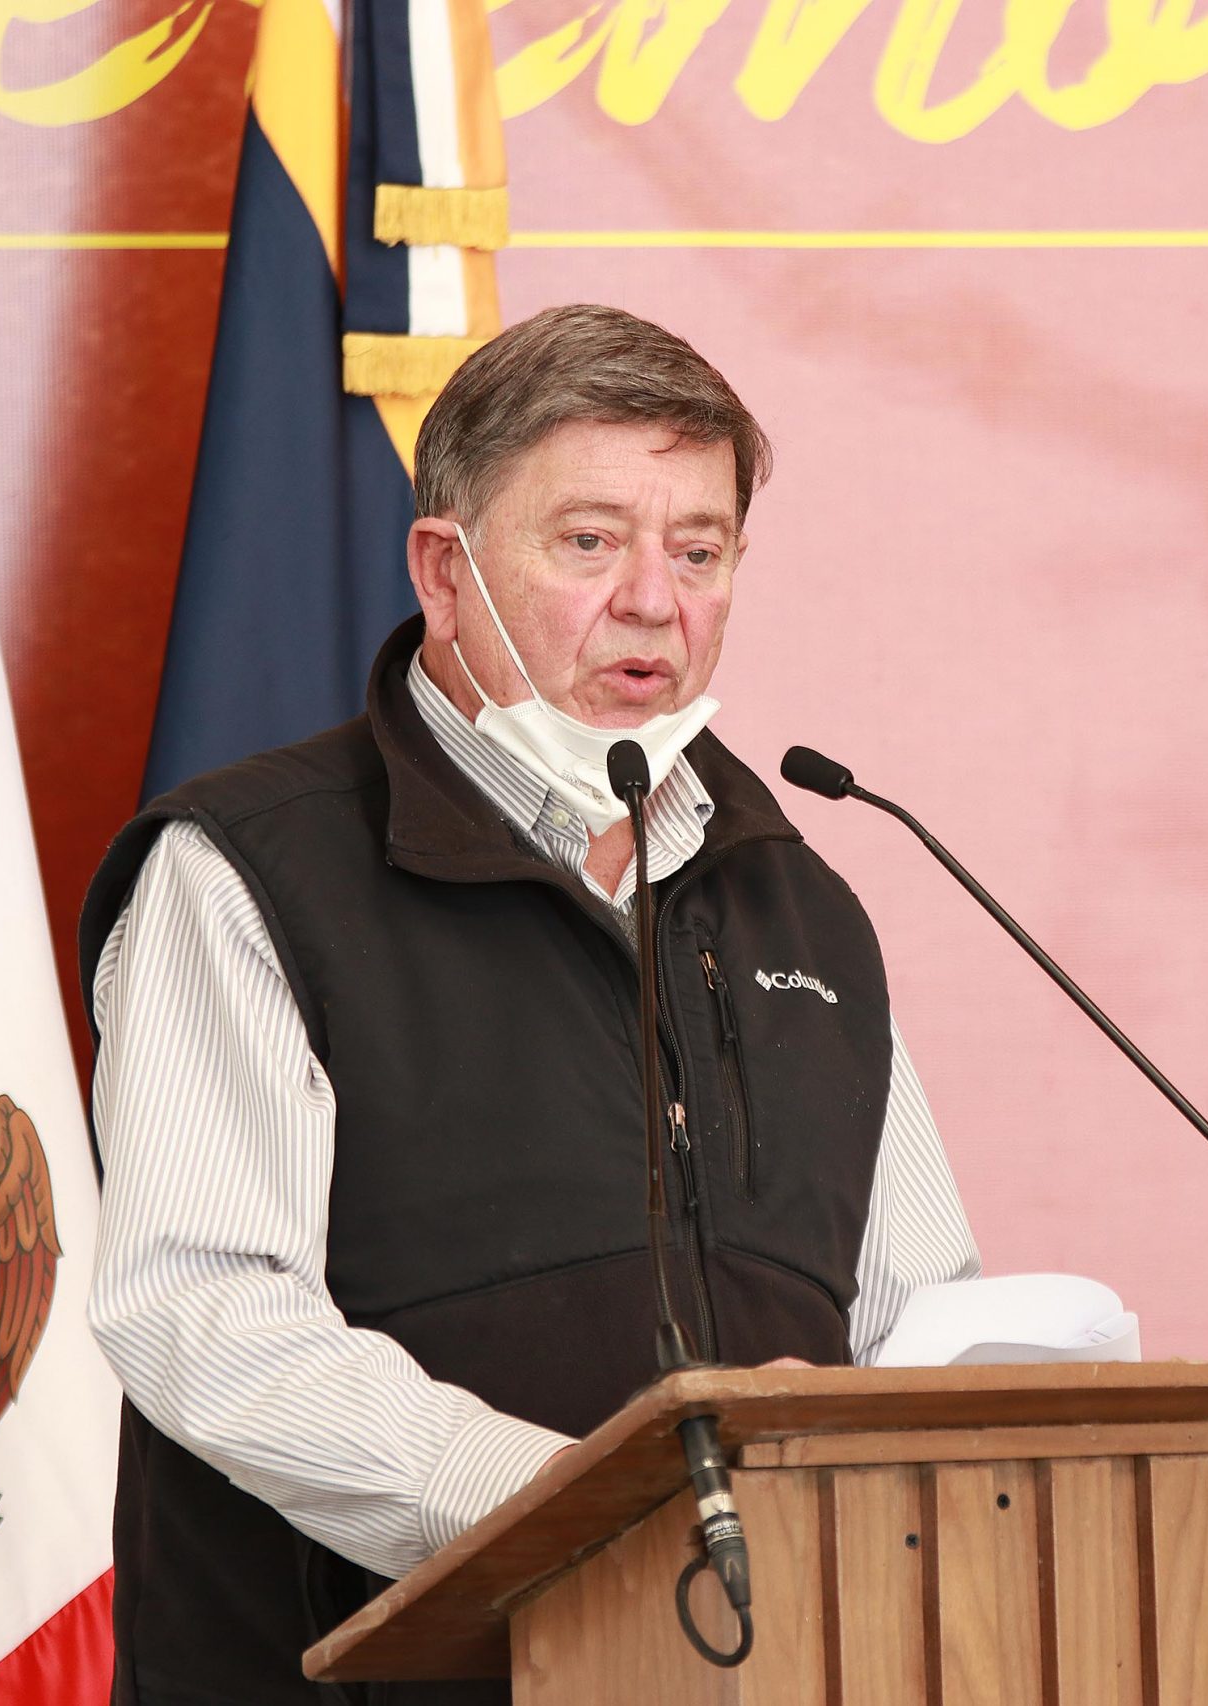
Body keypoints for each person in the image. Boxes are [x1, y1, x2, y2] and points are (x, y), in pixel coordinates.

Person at [79, 304, 981, 1706]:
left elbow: (920, 1324)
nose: (654, 601)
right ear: (446, 573)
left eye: (699, 551)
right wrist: (577, 1504)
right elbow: (202, 1313)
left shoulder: (798, 902)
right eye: (591, 541)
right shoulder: (248, 869)